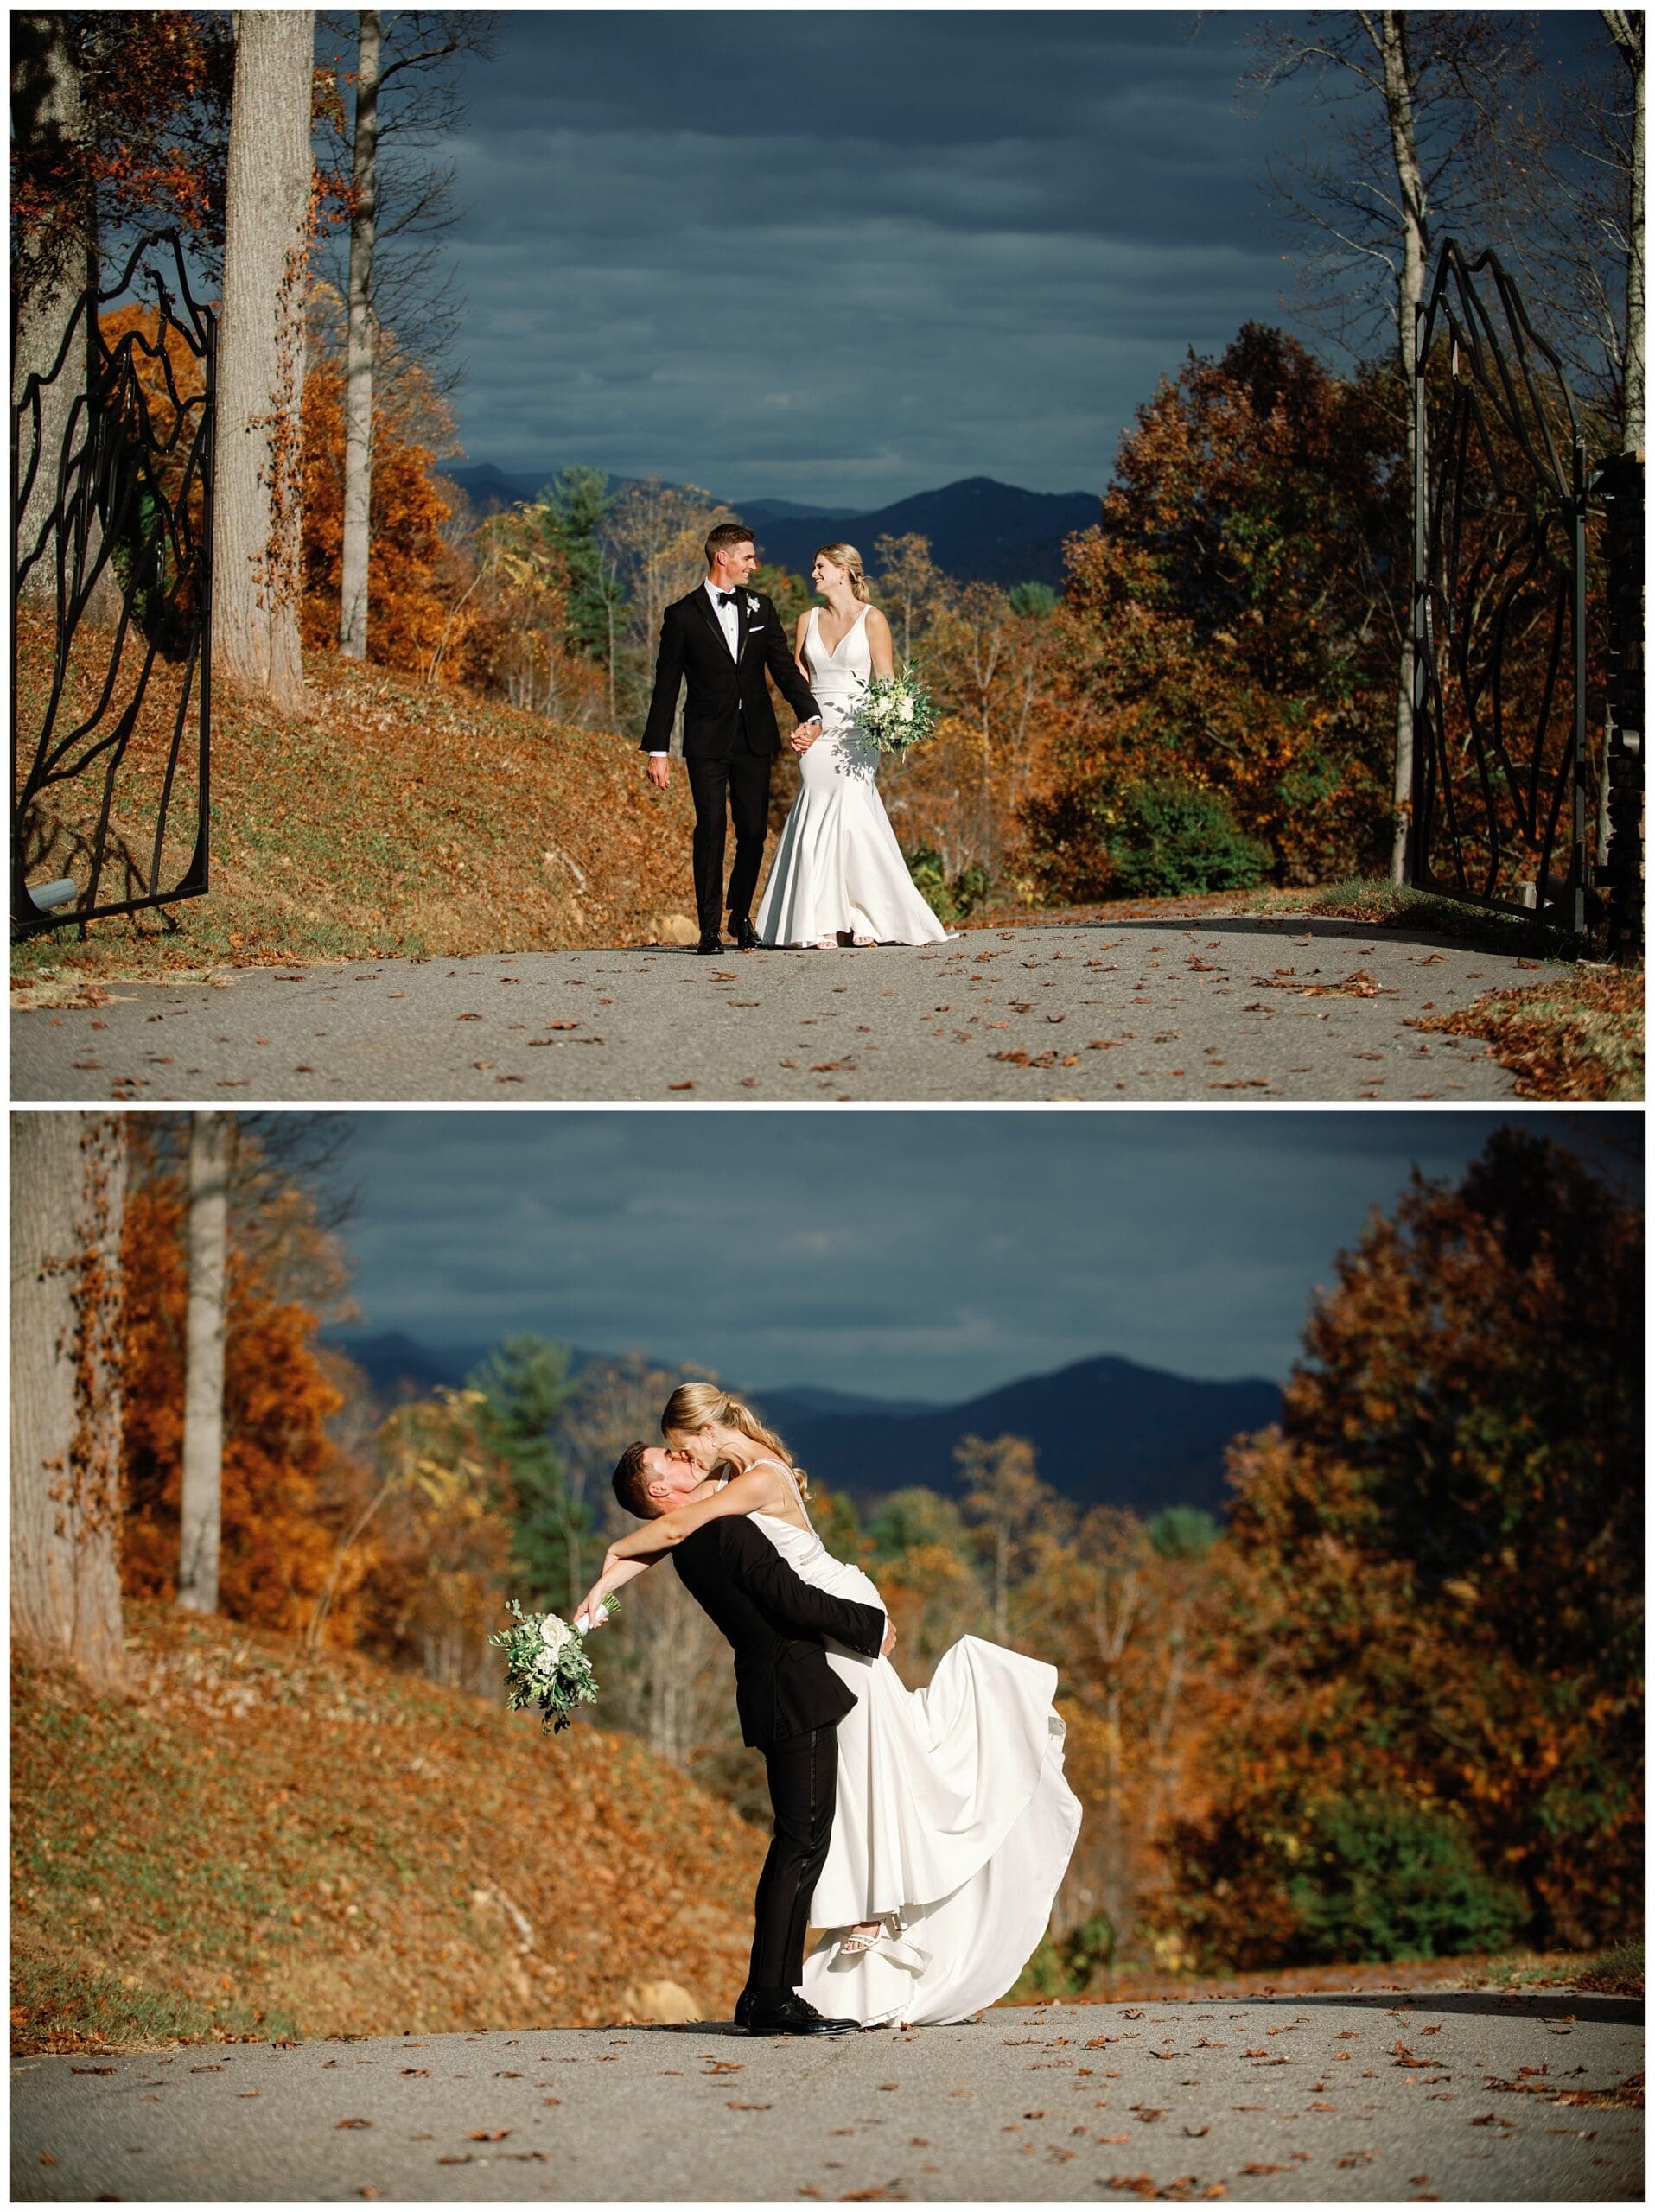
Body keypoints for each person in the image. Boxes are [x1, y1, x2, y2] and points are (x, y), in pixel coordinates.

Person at [580, 1385, 1081, 2029]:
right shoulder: (717, 1491)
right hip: (825, 1635)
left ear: (703, 1432)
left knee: (872, 1773)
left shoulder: (750, 1481)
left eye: (678, 1449)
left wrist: (611, 1557)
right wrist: (604, 1584)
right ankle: (856, 1923)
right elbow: (664, 1534)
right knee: (854, 1784)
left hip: (837, 1619)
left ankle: (875, 1909)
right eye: (668, 1461)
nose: (681, 1461)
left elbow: (665, 1532)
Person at [605, 1438, 890, 2037]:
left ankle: (768, 1993)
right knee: (800, 1844)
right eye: (670, 1460)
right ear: (658, 1491)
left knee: (797, 1841)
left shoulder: (693, 1541)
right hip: (793, 1688)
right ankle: (770, 1997)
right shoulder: (720, 1533)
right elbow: (790, 1599)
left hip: (773, 1689)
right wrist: (869, 1625)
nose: (683, 1459)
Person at [754, 544, 952, 950]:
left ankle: (865, 916)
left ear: (843, 571)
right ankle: (821, 920)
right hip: (818, 728)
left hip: (859, 731)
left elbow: (887, 680)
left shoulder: (872, 619)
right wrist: (803, 725)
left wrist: (894, 718)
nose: (813, 573)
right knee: (816, 811)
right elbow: (797, 681)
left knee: (852, 816)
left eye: (820, 567)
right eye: (814, 567)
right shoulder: (806, 619)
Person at [640, 523, 824, 956]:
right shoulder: (681, 615)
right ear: (722, 557)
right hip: (706, 739)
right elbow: (666, 686)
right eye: (747, 557)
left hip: (754, 738)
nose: (754, 565)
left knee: (754, 832)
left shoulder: (762, 608)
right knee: (711, 829)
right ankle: (707, 930)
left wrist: (810, 712)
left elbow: (782, 668)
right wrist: (658, 749)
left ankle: (740, 916)